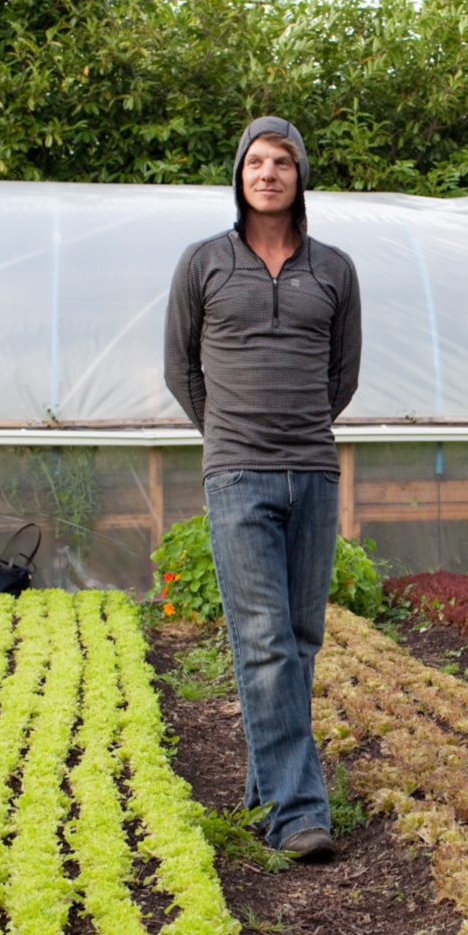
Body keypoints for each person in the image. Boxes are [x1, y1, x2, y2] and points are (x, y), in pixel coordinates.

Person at [164, 116, 361, 861]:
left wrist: (298, 427)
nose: (269, 172)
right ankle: (297, 812)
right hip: (237, 473)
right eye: (257, 161)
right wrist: (230, 434)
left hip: (312, 467)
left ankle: (262, 788)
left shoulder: (334, 270)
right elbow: (181, 369)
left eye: (283, 161)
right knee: (263, 641)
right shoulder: (204, 263)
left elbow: (342, 375)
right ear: (239, 175)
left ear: (299, 176)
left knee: (301, 640)